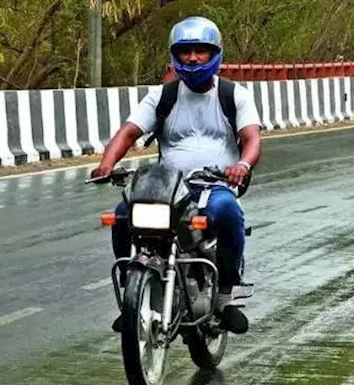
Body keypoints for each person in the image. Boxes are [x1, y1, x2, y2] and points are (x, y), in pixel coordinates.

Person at [90, 16, 263, 335]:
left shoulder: (232, 95)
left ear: (215, 54)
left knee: (227, 212)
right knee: (123, 213)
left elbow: (251, 138)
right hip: (169, 188)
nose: (194, 58)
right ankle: (132, 292)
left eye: (201, 51)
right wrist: (107, 162)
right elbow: (128, 133)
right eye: (186, 51)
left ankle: (226, 296)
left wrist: (242, 165)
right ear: (175, 54)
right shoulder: (162, 96)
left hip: (213, 186)